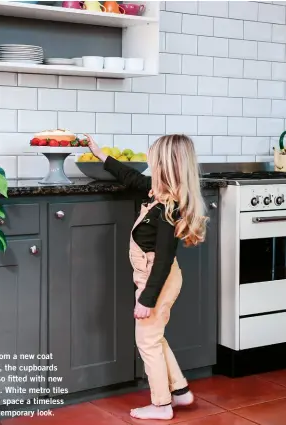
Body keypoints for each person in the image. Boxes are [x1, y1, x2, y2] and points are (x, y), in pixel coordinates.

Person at [87, 134, 208, 420]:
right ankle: (180, 391)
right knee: (155, 337)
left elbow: (163, 260)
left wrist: (146, 299)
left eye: (152, 160)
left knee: (147, 342)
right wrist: (101, 155)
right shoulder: (158, 193)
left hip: (157, 281)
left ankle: (161, 404)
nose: (148, 165)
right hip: (157, 278)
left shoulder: (169, 207)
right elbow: (130, 177)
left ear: (165, 165)